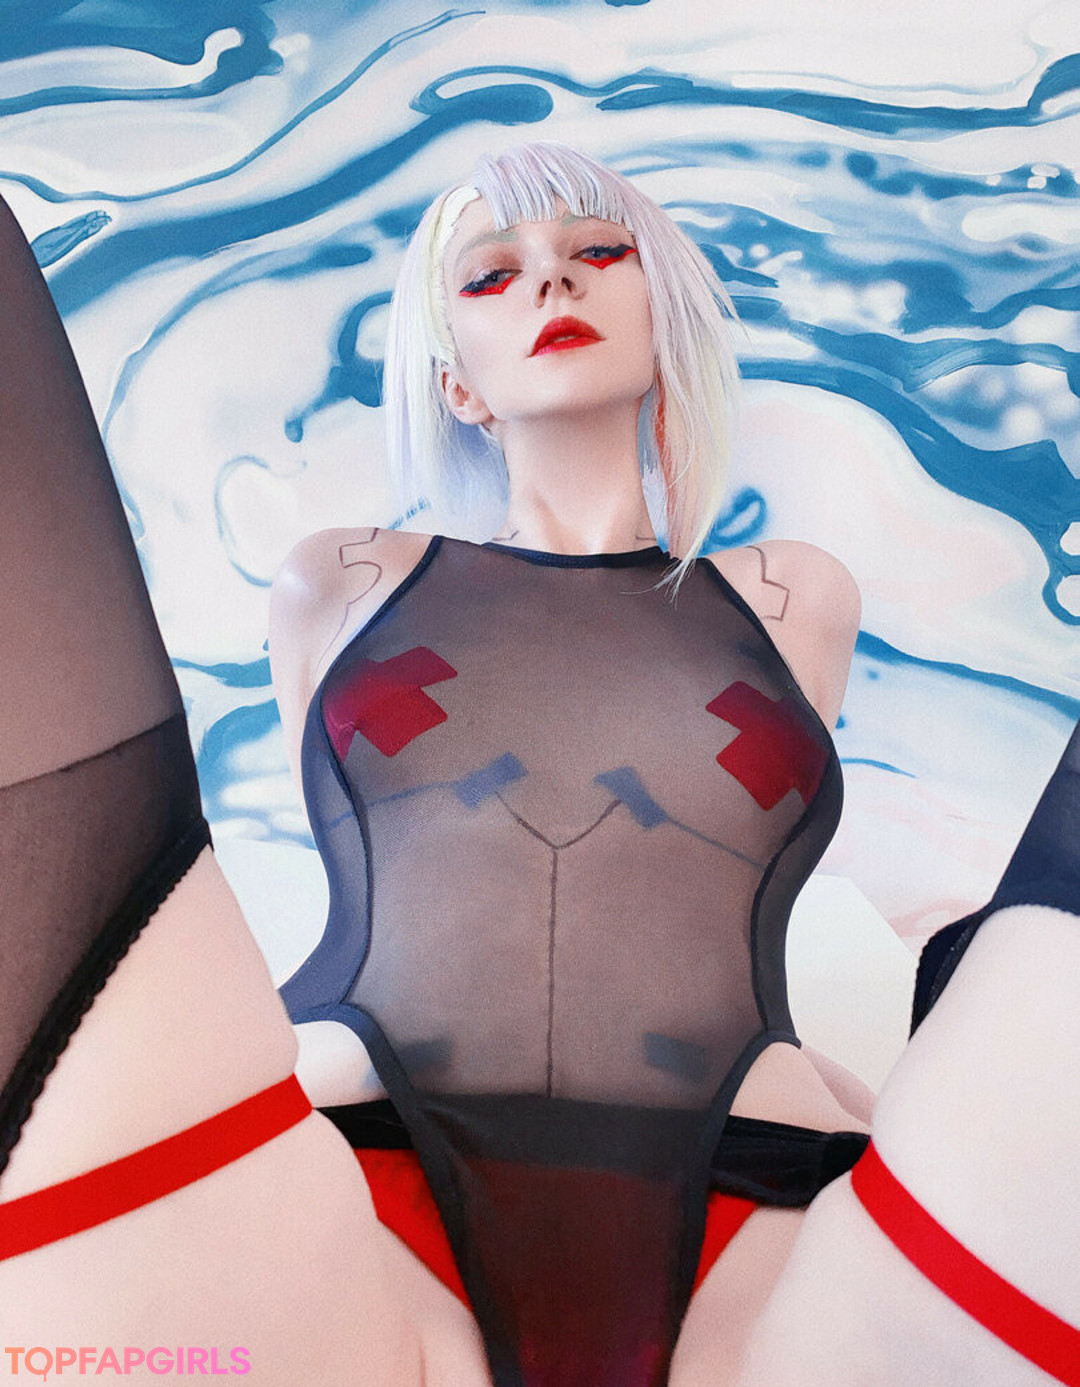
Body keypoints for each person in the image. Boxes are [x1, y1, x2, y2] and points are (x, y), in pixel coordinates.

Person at [0, 141, 1076, 1387]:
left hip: (753, 1175)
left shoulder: (796, 597)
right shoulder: (341, 581)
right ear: (454, 384)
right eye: (492, 273)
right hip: (353, 1149)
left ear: (662, 318)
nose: (552, 282)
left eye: (598, 251)